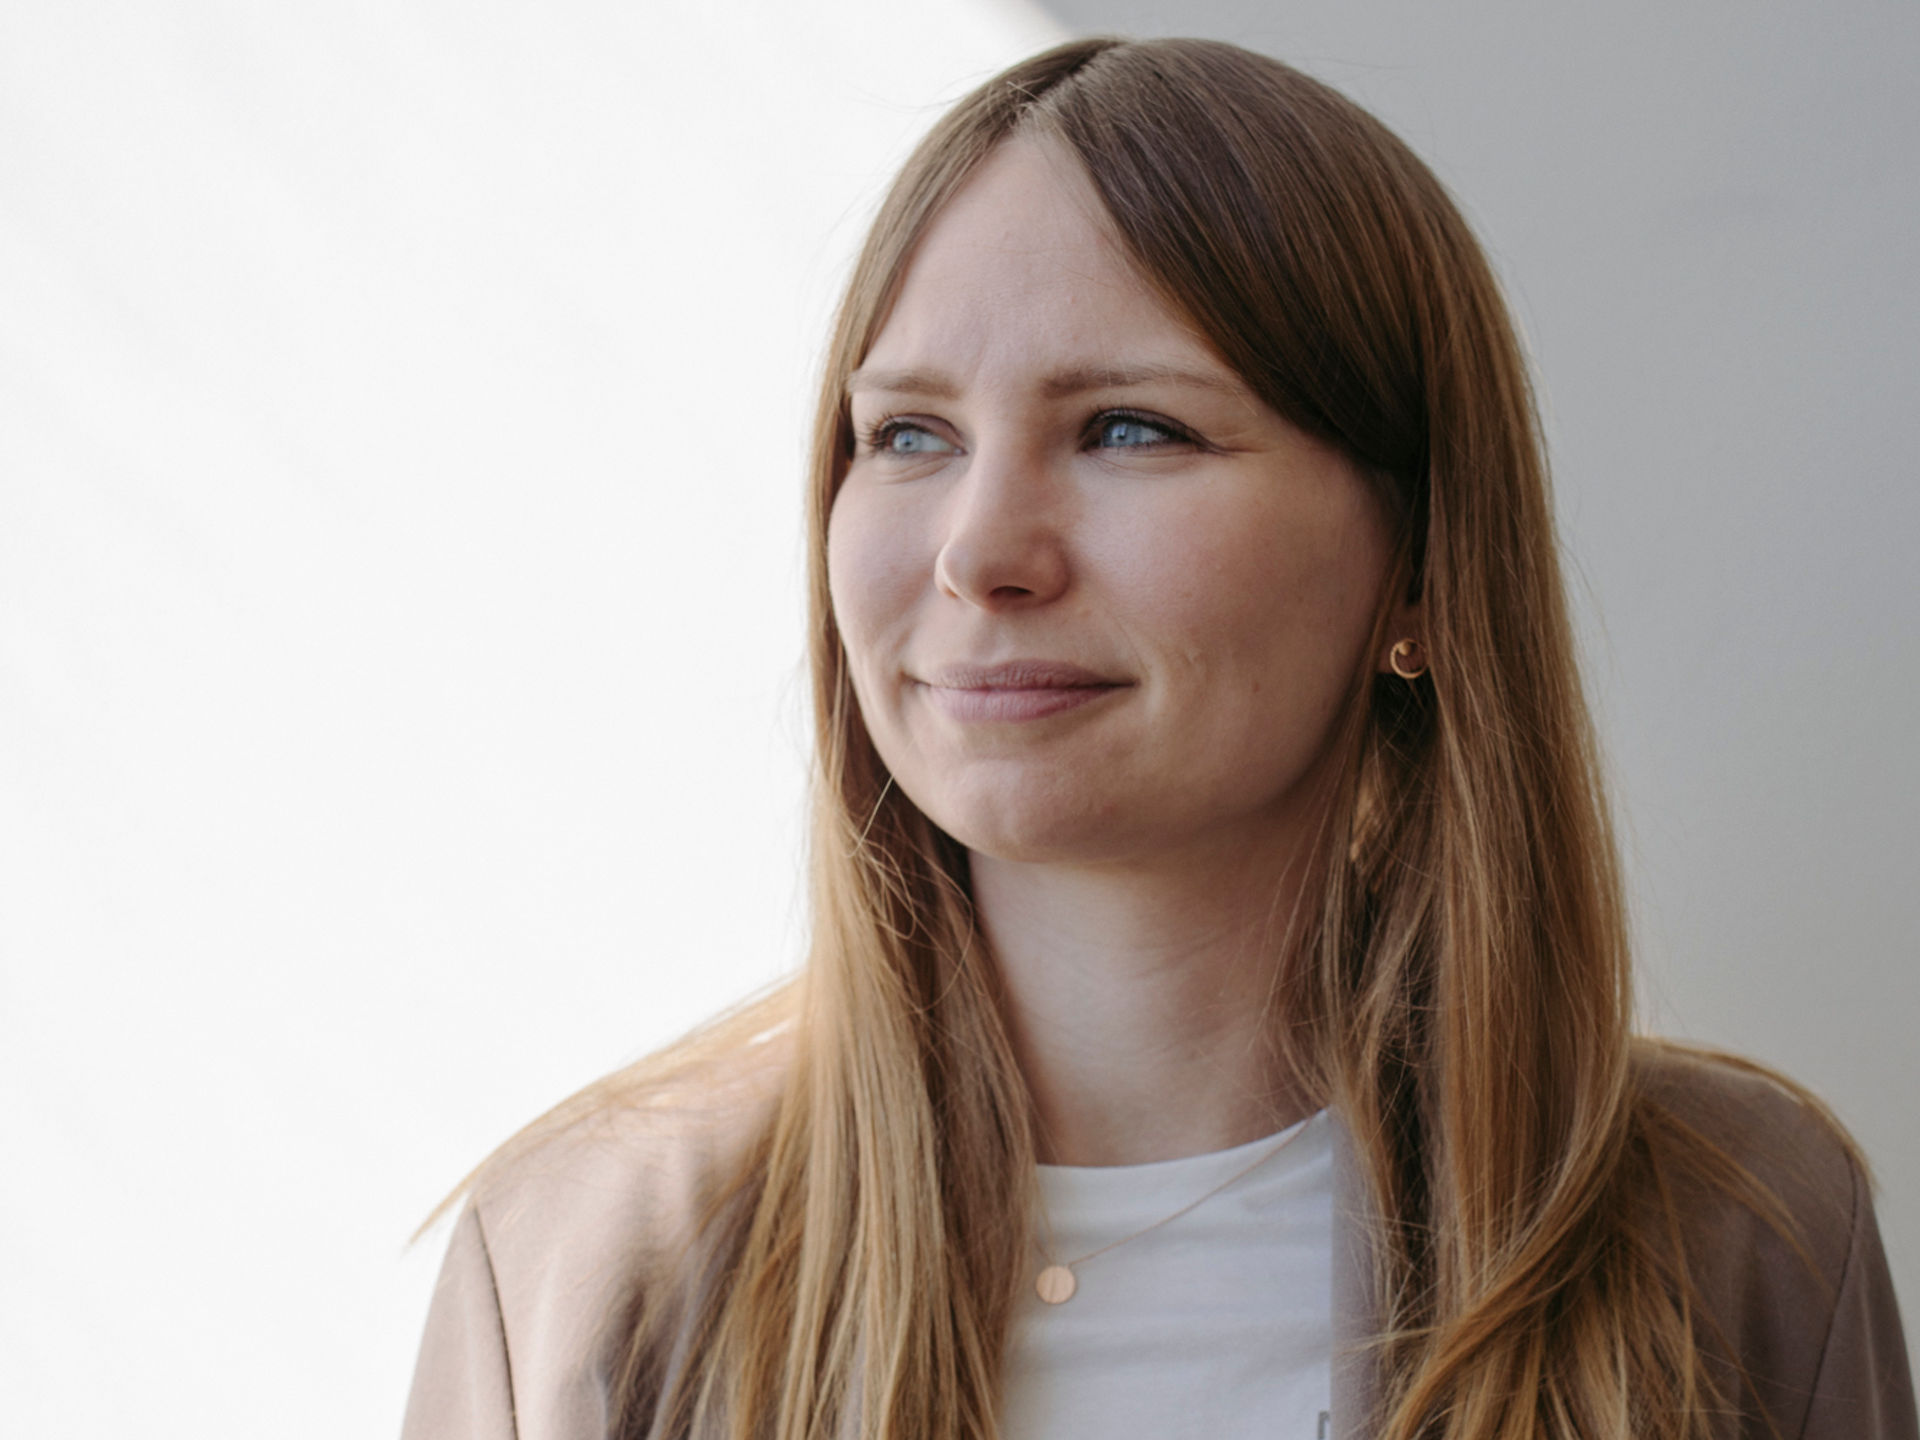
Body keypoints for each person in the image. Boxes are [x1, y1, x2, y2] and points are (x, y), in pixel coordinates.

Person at [401, 36, 1915, 1440]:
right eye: (908, 434)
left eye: (1132, 427)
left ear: (1425, 562)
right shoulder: (580, 1265)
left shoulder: (1744, 1241)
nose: (980, 551)